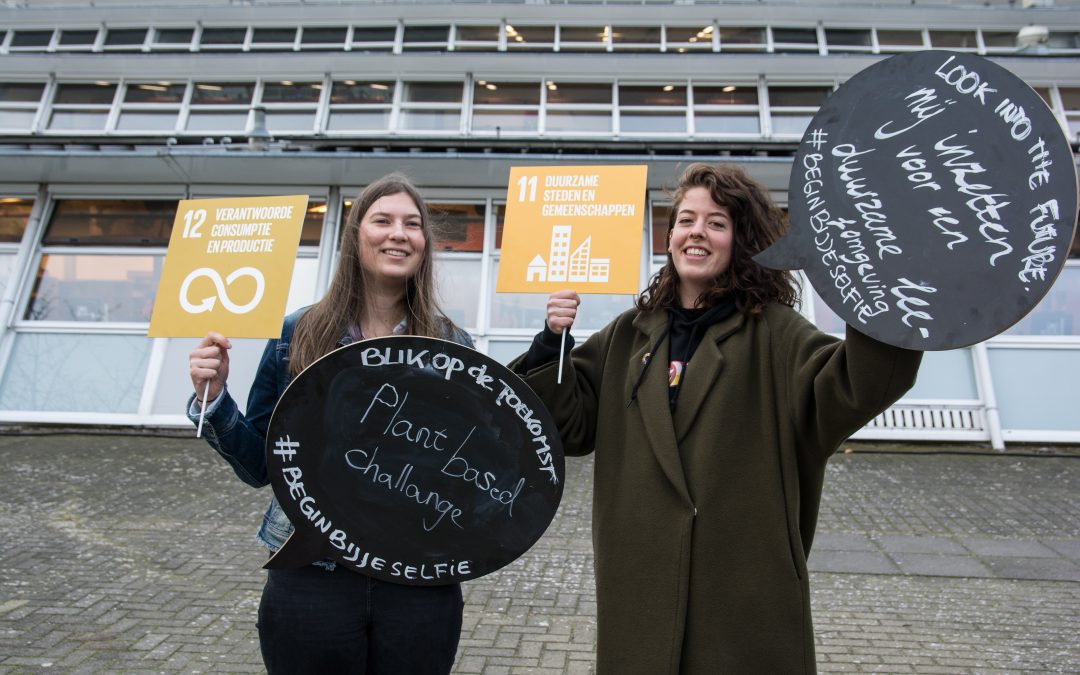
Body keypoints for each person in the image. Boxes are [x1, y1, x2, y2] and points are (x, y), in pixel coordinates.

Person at [510, 163, 923, 674]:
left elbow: (852, 388)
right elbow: (567, 427)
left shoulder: (775, 333)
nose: (696, 233)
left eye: (717, 223)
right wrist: (554, 343)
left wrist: (894, 297)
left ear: (742, 241)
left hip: (742, 600)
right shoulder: (629, 334)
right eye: (685, 220)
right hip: (640, 592)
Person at [187, 173, 470, 674]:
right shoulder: (299, 332)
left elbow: (466, 469)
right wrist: (215, 401)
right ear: (356, 235)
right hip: (310, 570)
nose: (398, 234)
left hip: (418, 576)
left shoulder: (452, 344)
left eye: (412, 224)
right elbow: (259, 466)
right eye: (382, 220)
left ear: (425, 243)